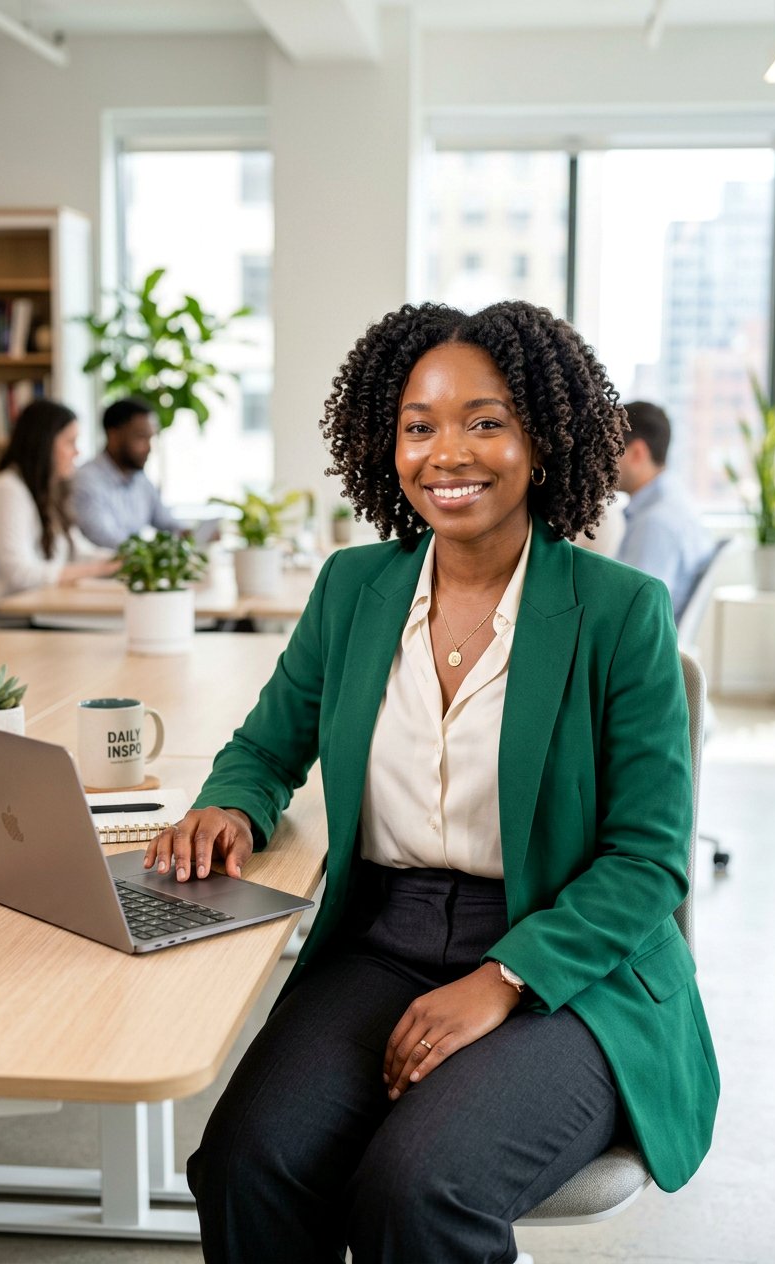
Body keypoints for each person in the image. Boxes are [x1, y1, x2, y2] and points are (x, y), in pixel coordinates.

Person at [145, 301, 719, 1264]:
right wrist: (229, 806)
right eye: (420, 426)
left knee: (418, 1190)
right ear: (387, 444)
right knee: (246, 1162)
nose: (447, 453)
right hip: (381, 940)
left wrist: (503, 978)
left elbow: (650, 860)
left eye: (485, 422)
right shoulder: (353, 589)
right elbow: (265, 747)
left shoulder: (620, 612)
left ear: (545, 439)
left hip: (569, 967)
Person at [0, 400, 118, 612]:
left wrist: (121, 559)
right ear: (44, 444)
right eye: (70, 442)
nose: (77, 453)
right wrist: (100, 569)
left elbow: (79, 552)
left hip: (32, 610)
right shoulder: (7, 490)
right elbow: (22, 575)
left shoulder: (46, 491)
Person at [617, 400, 714, 623]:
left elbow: (633, 615)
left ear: (637, 453)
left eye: (609, 449)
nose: (599, 460)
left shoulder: (655, 522)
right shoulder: (674, 500)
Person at [72, 397, 179, 548]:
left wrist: (192, 533)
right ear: (114, 436)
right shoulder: (85, 480)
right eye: (141, 437)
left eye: (151, 438)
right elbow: (107, 540)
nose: (149, 448)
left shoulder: (140, 478)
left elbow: (166, 520)